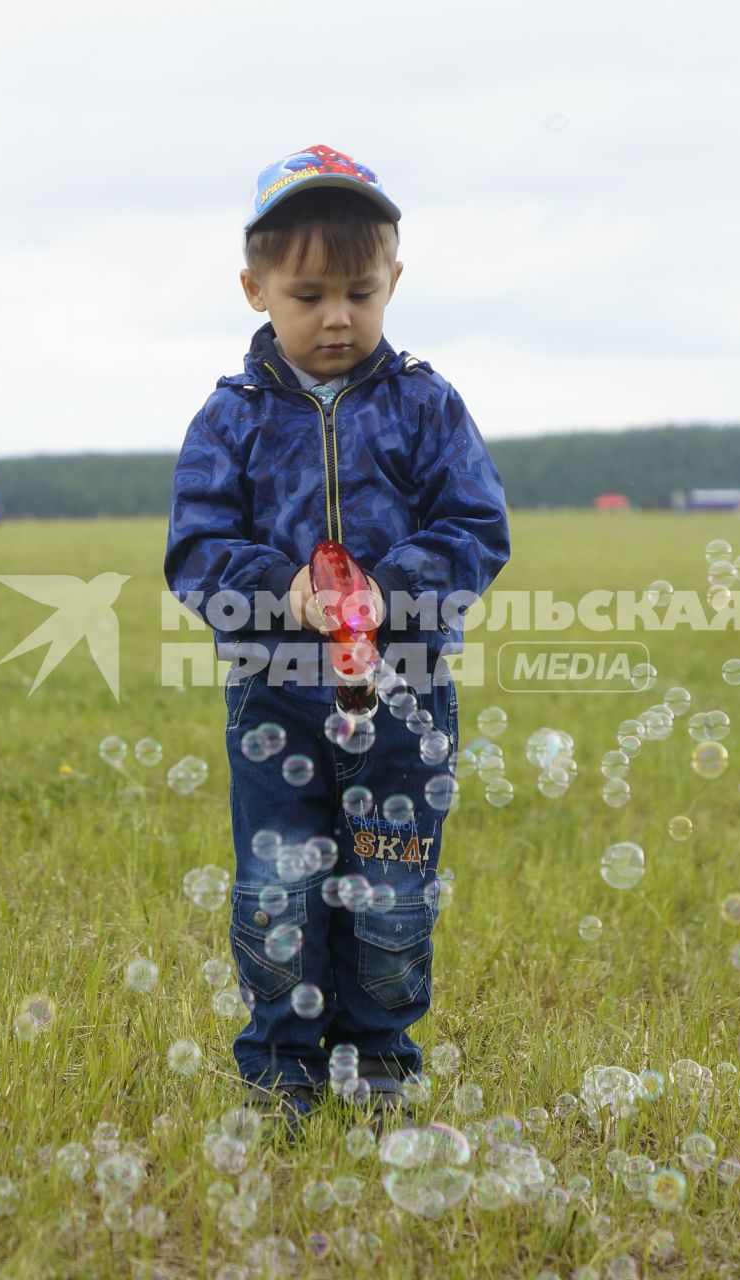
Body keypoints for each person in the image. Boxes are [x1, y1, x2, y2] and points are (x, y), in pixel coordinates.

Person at [164, 144, 510, 1130]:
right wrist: (285, 588)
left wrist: (383, 588)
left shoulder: (424, 405)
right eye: (307, 292)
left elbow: (477, 531)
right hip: (274, 691)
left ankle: (381, 1065)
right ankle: (279, 1069)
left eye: (359, 291)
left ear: (393, 281)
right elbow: (194, 550)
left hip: (402, 700)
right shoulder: (228, 419)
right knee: (279, 885)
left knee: (390, 884)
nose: (335, 316)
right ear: (254, 287)